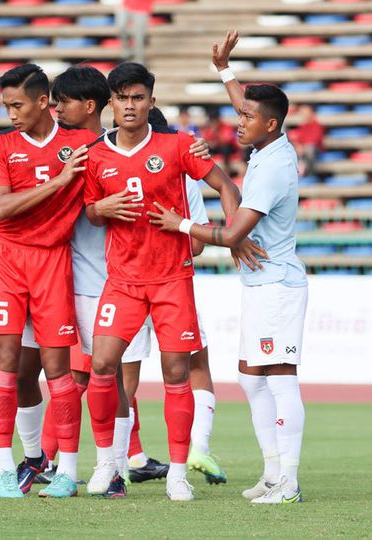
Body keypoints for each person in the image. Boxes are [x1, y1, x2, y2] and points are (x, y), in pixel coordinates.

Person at [148, 30, 307, 504]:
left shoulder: (275, 167)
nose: (239, 122)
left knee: (279, 378)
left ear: (272, 124)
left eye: (248, 118)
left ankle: (290, 482)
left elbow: (234, 235)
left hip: (277, 284)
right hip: (260, 283)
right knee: (250, 377)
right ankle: (272, 471)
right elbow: (249, 103)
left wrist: (181, 225)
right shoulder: (268, 144)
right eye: (240, 114)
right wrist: (225, 69)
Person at [81, 62, 241, 502]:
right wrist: (102, 210)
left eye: (138, 98)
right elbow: (91, 211)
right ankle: (106, 465)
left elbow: (227, 187)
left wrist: (234, 234)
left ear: (151, 101)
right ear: (110, 103)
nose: (129, 106)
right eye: (122, 98)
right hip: (123, 280)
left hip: (172, 279)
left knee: (175, 372)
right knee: (101, 366)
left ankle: (176, 474)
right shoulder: (96, 154)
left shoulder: (179, 146)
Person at [0, 63, 95, 499]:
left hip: (53, 260)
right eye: (6, 105)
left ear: (43, 101)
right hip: (7, 258)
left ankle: (66, 470)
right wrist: (62, 181)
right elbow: (2, 207)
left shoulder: (81, 143)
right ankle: (3, 468)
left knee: (58, 370)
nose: (11, 113)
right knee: (5, 362)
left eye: (17, 104)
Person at [118, 106, 228, 487]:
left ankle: (124, 458)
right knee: (194, 367)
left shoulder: (114, 166)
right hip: (171, 284)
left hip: (125, 281)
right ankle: (197, 447)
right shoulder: (185, 180)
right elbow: (196, 247)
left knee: (122, 375)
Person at [288, 104, 323, 177]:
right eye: (302, 114)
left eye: (305, 113)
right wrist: (297, 145)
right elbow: (296, 138)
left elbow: (315, 139)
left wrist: (303, 147)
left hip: (312, 150)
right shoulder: (301, 126)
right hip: (300, 149)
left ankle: (308, 172)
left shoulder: (316, 125)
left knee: (310, 150)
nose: (304, 116)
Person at [120, 0, 153, 64]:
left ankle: (139, 60)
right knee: (121, 27)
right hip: (126, 6)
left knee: (139, 35)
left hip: (142, 8)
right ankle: (127, 51)